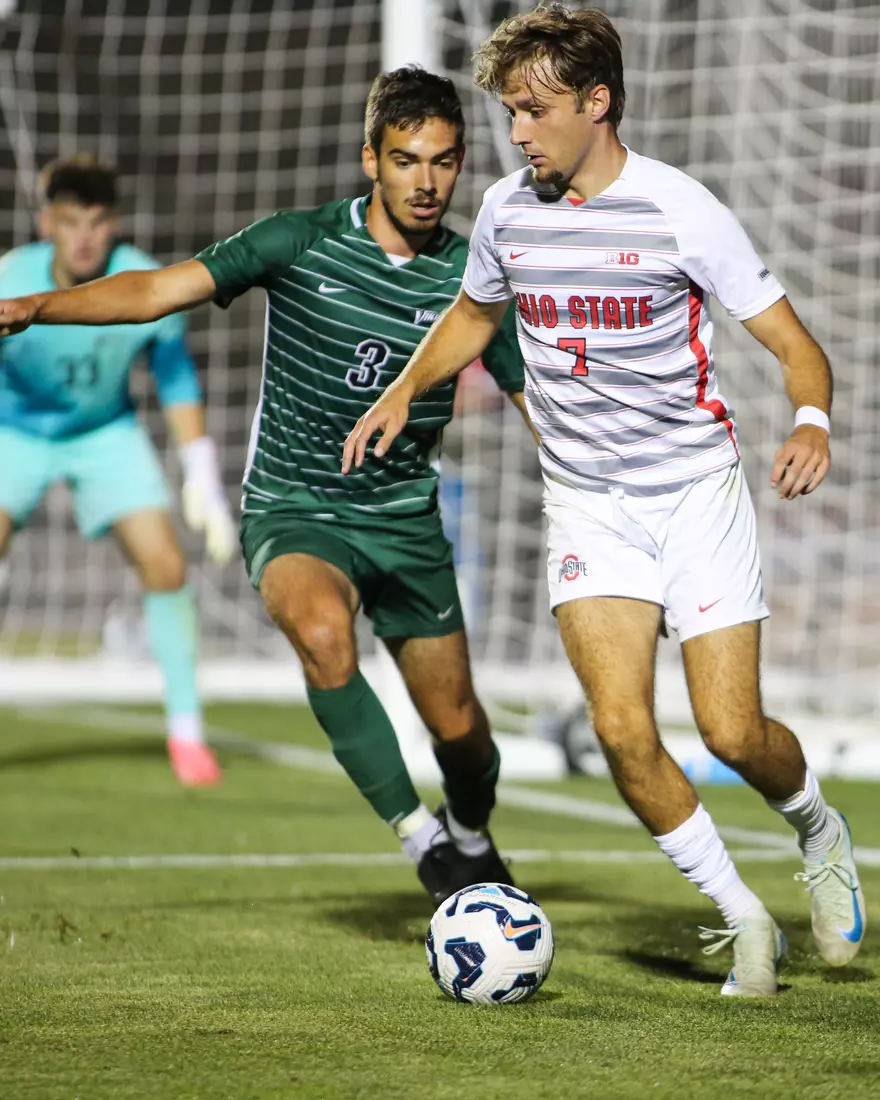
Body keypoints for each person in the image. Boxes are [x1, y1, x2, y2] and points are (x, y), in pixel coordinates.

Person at [342, 6, 866, 994]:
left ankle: (814, 825)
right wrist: (406, 387)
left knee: (729, 730)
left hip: (692, 493)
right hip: (586, 503)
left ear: (597, 103)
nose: (518, 132)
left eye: (534, 111)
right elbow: (475, 313)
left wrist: (810, 422)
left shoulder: (683, 211)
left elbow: (799, 347)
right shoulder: (504, 211)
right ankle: (744, 917)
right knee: (622, 728)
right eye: (509, 113)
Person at [0, 71, 532, 905]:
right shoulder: (299, 240)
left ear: (462, 164)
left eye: (443, 161)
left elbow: (532, 399)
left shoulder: (475, 280)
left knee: (461, 729)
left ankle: (469, 832)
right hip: (294, 506)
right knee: (321, 631)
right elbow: (157, 289)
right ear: (371, 160)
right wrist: (39, 305)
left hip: (403, 519)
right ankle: (423, 841)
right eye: (405, 160)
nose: (425, 181)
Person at [0, 156, 234, 786]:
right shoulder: (10, 280)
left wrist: (200, 473)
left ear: (115, 225)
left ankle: (187, 734)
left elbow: (175, 374)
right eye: (71, 221)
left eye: (97, 222)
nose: (84, 237)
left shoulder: (145, 281)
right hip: (13, 432)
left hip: (104, 432)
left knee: (166, 563)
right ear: (48, 223)